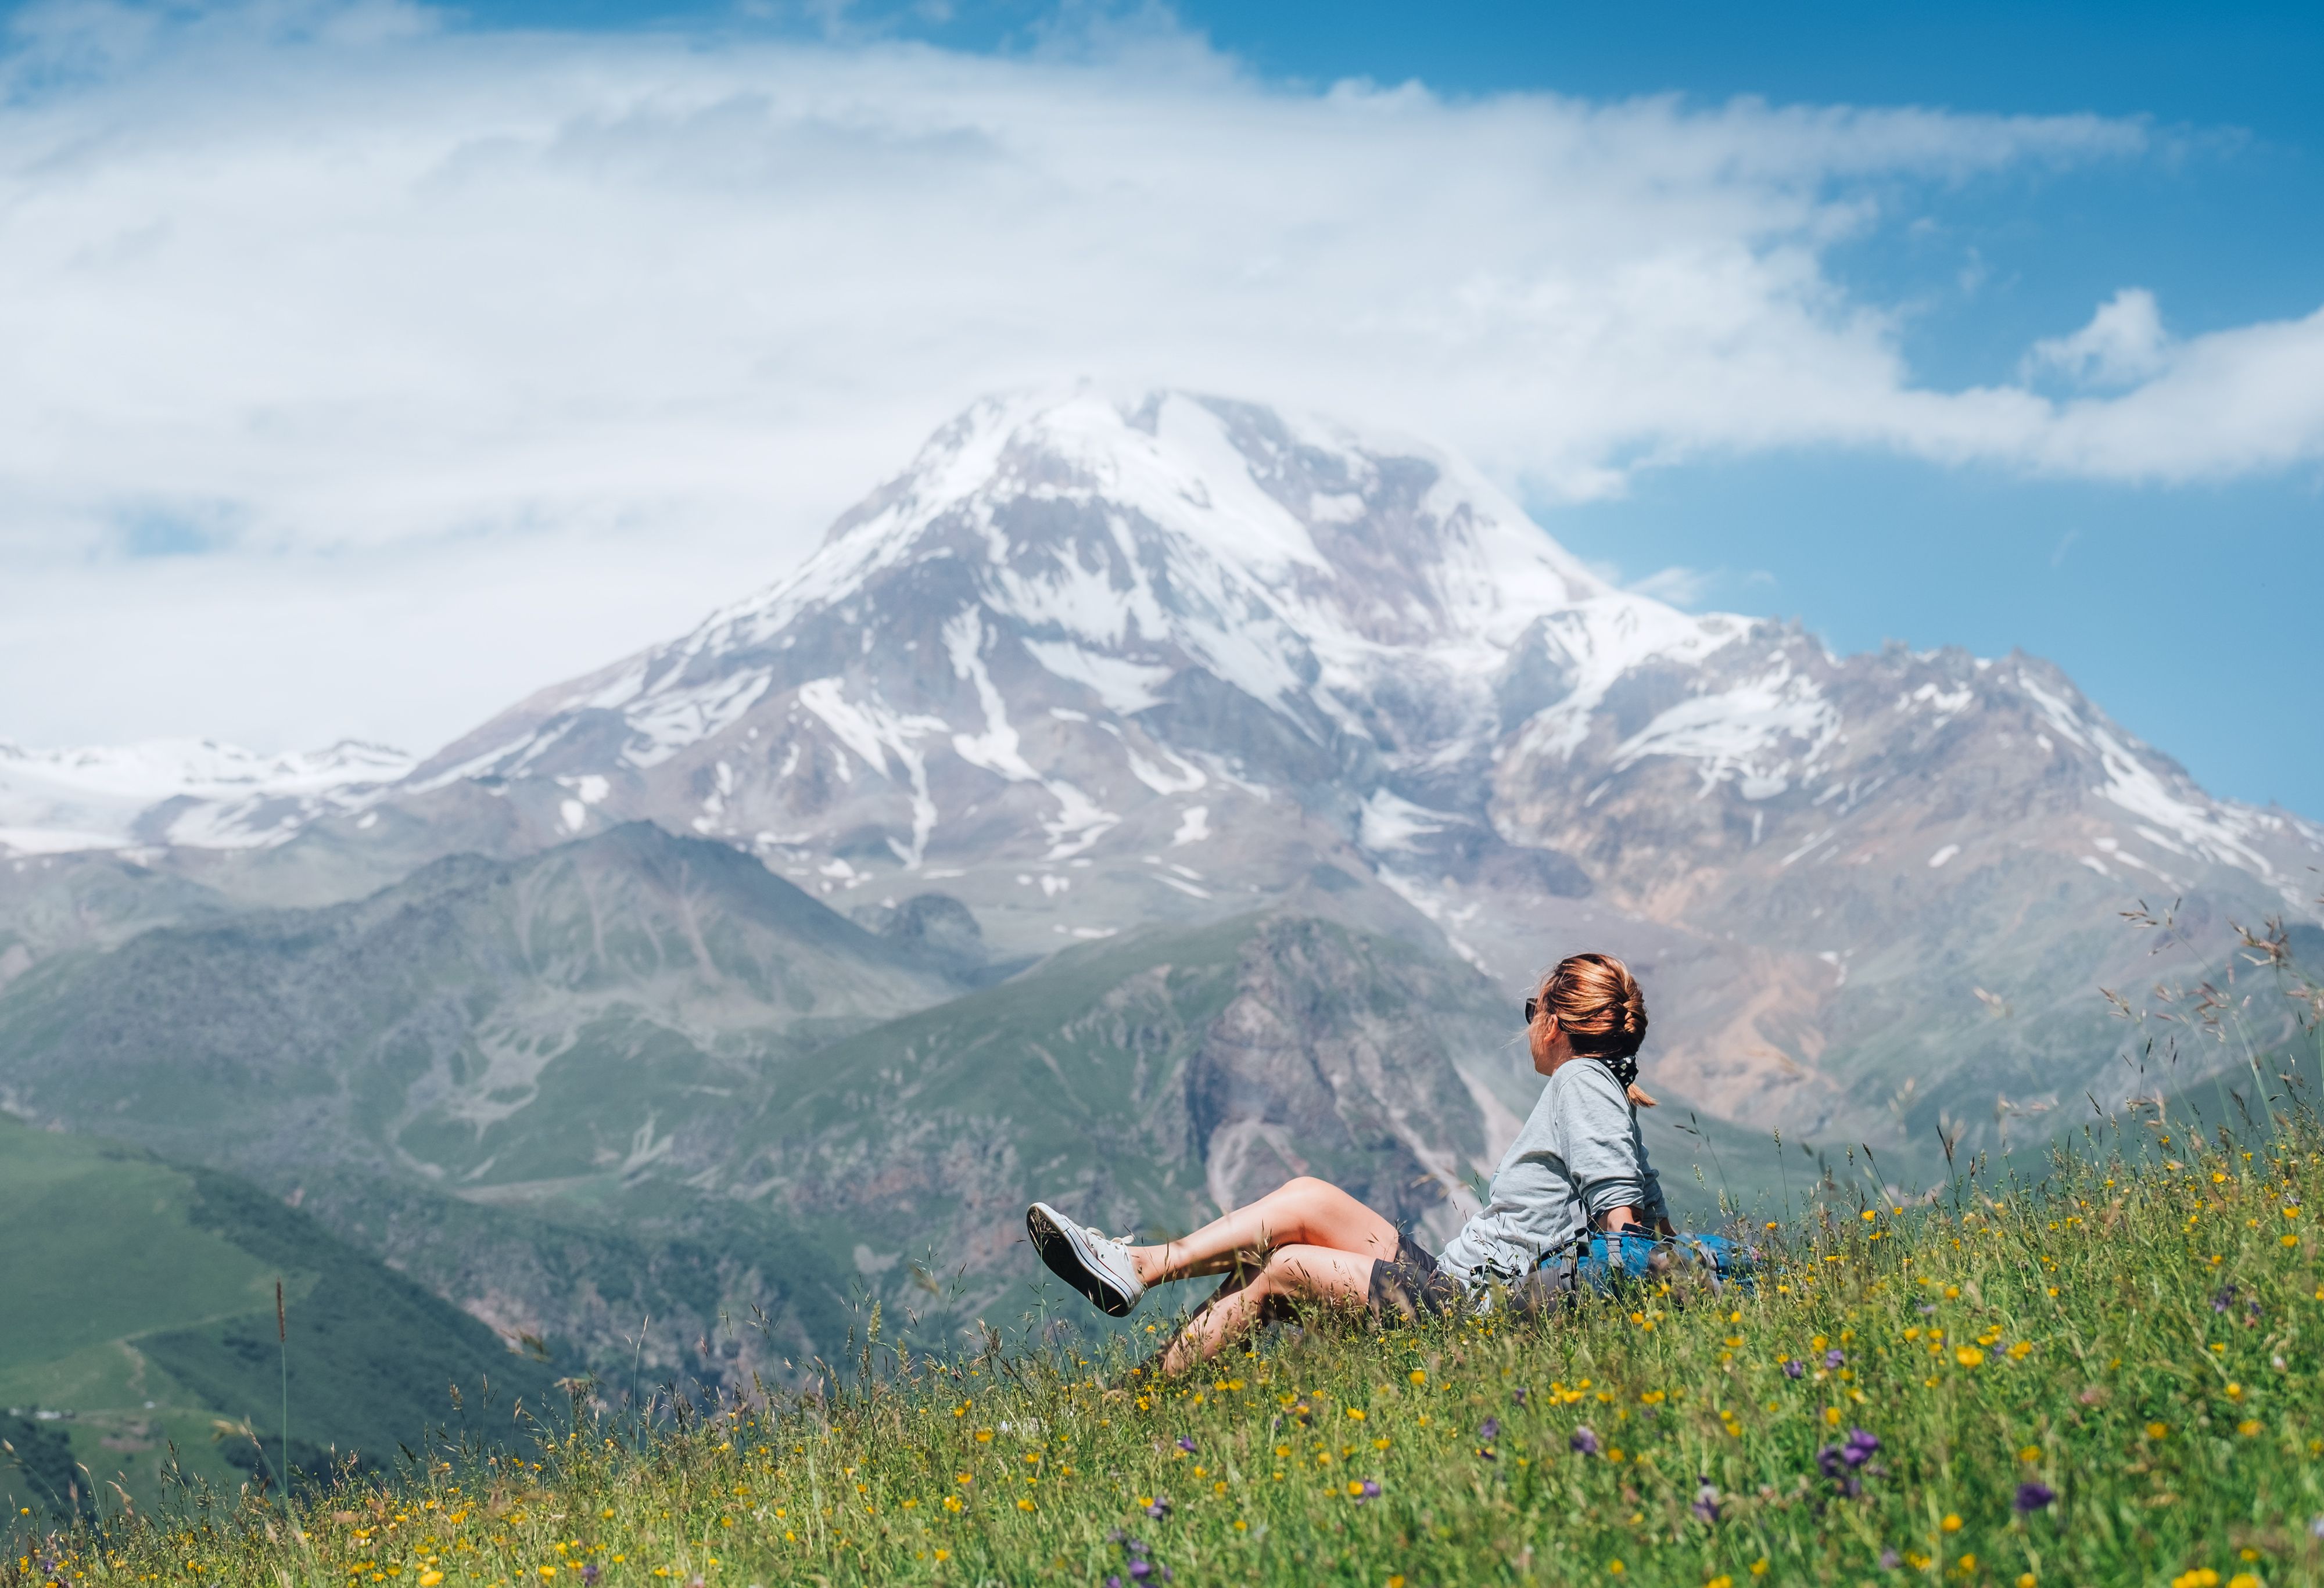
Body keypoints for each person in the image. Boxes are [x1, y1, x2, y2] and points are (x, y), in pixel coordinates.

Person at [1025, 951, 1670, 1373]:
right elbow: (1654, 1226)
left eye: (1534, 1012)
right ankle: (1137, 1272)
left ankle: (1136, 1393)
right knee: (1308, 1197)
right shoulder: (1604, 1092)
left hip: (1474, 1310)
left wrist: (1599, 1327)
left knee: (1287, 1268)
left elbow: (1625, 1224)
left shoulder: (1581, 1083)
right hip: (1454, 1282)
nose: (1530, 1024)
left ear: (1556, 1022)